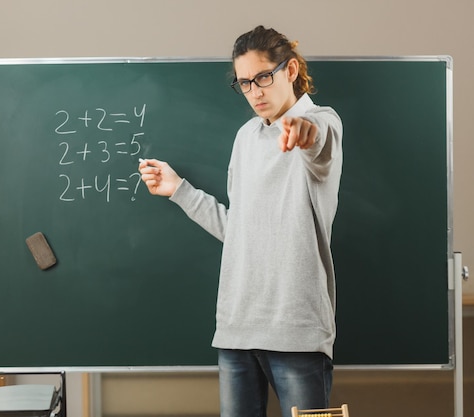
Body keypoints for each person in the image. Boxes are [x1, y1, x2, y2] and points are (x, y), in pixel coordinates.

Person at [139, 26, 343, 417]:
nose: (255, 92)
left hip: (296, 330)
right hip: (236, 326)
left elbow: (320, 145)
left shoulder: (322, 121)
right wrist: (179, 189)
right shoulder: (246, 137)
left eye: (263, 77)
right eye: (245, 83)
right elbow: (239, 233)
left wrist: (304, 134)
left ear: (291, 70)